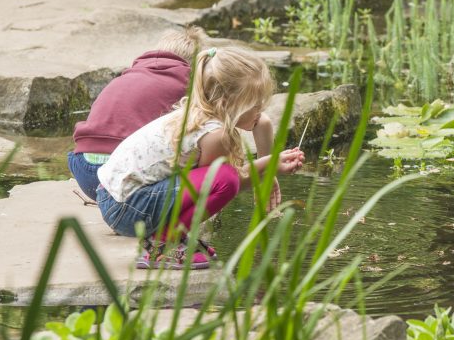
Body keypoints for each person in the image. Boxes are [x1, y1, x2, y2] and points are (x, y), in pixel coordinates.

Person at [95, 46, 304, 269]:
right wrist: (269, 165)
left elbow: (261, 122)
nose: (261, 111)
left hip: (115, 199)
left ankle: (173, 238)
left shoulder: (201, 111)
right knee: (226, 178)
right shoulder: (215, 135)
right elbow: (223, 184)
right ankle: (163, 246)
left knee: (224, 176)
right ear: (229, 103)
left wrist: (268, 173)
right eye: (255, 105)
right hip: (127, 209)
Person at [67, 26, 277, 201]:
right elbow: (210, 178)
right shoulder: (189, 86)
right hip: (117, 180)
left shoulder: (132, 73)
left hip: (82, 166)